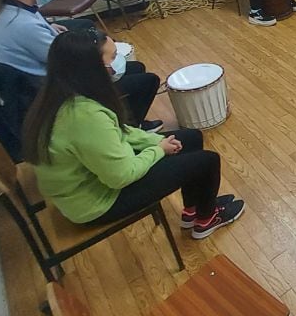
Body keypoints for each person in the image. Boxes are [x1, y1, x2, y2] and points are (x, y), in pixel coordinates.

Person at [22, 31, 244, 238]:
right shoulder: (83, 116)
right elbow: (121, 175)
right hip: (97, 203)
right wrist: (158, 150)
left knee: (191, 138)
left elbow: (120, 131)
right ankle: (206, 220)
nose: (116, 65)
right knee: (207, 161)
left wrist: (156, 140)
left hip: (93, 181)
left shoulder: (60, 93)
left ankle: (194, 210)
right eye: (111, 58)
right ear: (93, 67)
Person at [0, 0, 162, 130]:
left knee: (135, 67)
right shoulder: (22, 25)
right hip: (52, 89)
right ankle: (126, 130)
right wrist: (104, 63)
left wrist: (49, 27)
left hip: (42, 78)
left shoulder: (12, 9)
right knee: (147, 80)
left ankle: (128, 122)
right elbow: (68, 62)